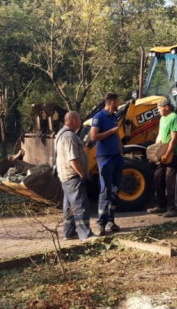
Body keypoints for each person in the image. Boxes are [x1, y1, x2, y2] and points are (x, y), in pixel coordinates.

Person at [55, 111, 94, 241]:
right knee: (80, 205)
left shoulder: (60, 134)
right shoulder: (70, 137)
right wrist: (82, 174)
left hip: (64, 177)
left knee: (69, 208)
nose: (81, 123)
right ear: (74, 121)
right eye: (79, 120)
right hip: (73, 177)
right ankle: (85, 234)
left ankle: (69, 232)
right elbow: (73, 159)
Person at [90, 92, 123, 235]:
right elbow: (93, 136)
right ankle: (101, 223)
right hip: (104, 159)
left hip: (117, 158)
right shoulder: (99, 118)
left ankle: (111, 221)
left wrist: (121, 153)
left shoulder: (114, 117)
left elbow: (117, 137)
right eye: (118, 101)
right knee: (105, 191)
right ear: (112, 102)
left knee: (115, 190)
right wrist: (110, 131)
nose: (119, 104)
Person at [147, 97, 177, 218]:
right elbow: (160, 135)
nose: (158, 111)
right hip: (163, 153)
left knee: (171, 180)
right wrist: (156, 151)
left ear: (166, 107)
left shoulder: (174, 118)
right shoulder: (163, 118)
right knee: (158, 176)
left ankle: (174, 208)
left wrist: (167, 154)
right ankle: (161, 205)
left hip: (174, 153)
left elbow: (174, 139)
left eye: (159, 108)